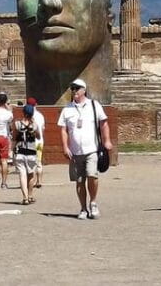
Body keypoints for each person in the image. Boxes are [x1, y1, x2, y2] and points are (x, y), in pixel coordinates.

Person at [57, 79, 112, 220]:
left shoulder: (94, 105)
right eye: (72, 88)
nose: (74, 91)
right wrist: (65, 146)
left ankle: (93, 202)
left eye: (77, 88)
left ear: (84, 90)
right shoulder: (67, 109)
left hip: (92, 149)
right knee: (79, 180)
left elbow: (104, 123)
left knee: (92, 176)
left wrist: (107, 141)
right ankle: (83, 208)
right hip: (75, 152)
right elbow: (63, 130)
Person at [14, 104, 42, 205]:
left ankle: (25, 197)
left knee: (22, 175)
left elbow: (14, 138)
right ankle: (30, 195)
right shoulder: (34, 125)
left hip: (20, 151)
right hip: (31, 152)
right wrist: (34, 127)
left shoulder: (17, 124)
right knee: (31, 175)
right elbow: (38, 137)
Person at [26, 97, 46, 187]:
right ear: (36, 104)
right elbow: (43, 128)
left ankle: (32, 181)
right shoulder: (40, 115)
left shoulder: (28, 116)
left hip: (30, 142)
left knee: (31, 162)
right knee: (39, 161)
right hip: (39, 141)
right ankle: (39, 181)